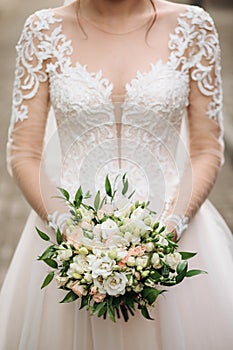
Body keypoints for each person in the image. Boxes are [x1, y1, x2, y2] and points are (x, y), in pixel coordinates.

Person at [1, 0, 233, 349]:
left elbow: (206, 148)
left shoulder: (192, 27)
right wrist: (69, 231)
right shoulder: (43, 30)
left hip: (174, 230)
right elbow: (24, 152)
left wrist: (169, 229)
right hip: (70, 237)